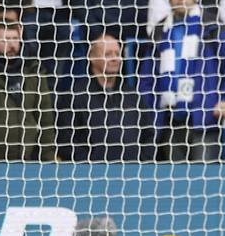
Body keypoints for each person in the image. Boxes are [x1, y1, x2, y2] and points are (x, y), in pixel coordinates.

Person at [140, 0, 225, 161]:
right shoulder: (159, 31)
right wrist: (150, 112)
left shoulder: (212, 26)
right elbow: (147, 78)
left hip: (205, 120)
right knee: (175, 185)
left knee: (204, 183)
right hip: (170, 122)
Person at [56, 33, 156, 161]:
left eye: (117, 54)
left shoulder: (133, 96)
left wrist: (140, 164)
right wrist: (92, 167)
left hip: (133, 176)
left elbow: (148, 136)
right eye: (108, 54)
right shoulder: (75, 96)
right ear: (92, 57)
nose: (115, 58)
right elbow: (66, 142)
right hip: (91, 177)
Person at [0, 20, 56, 161]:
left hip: (27, 163)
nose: (11, 44)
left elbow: (46, 120)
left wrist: (48, 158)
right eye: (5, 40)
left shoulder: (34, 72)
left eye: (15, 39)